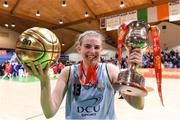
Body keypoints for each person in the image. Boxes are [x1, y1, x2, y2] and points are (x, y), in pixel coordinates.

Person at [26, 30, 142, 119]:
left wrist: (134, 71)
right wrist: (44, 81)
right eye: (87, 46)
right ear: (78, 48)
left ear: (101, 50)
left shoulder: (110, 71)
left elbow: (138, 105)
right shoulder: (68, 72)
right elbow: (49, 112)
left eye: (96, 47)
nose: (92, 51)